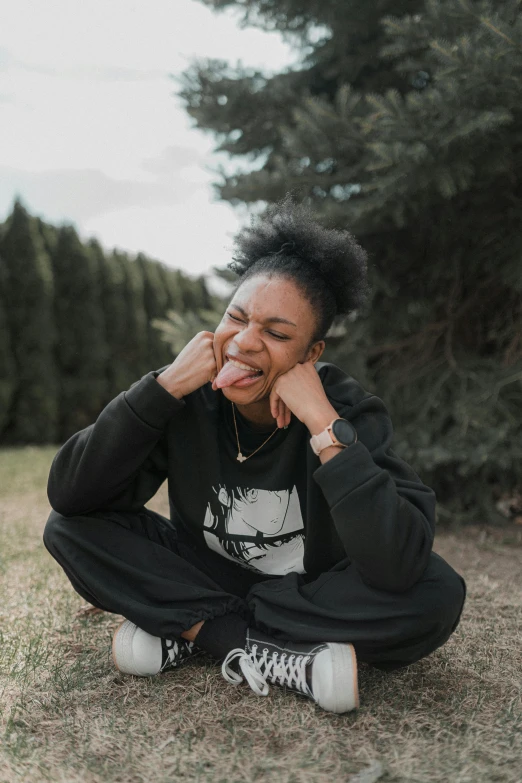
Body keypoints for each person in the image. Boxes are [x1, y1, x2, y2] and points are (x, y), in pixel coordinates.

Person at [43, 193, 466, 714]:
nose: (243, 342)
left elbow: (398, 563)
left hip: (312, 591)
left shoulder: (345, 410)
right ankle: (260, 648)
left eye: (275, 332)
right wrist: (164, 385)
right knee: (68, 528)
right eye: (236, 317)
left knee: (437, 593)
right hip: (211, 576)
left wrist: (323, 424)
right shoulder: (185, 397)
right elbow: (72, 494)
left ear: (311, 354)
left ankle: (193, 631)